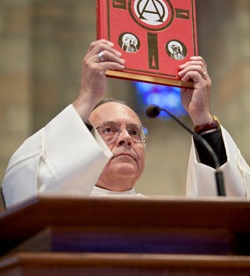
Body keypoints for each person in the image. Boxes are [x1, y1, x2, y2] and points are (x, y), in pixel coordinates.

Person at [2, 40, 250, 208]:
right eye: (109, 130)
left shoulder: (167, 220)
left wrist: (202, 117)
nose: (125, 139)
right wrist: (87, 95)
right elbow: (22, 188)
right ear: (83, 141)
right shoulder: (57, 206)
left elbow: (229, 215)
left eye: (134, 131)